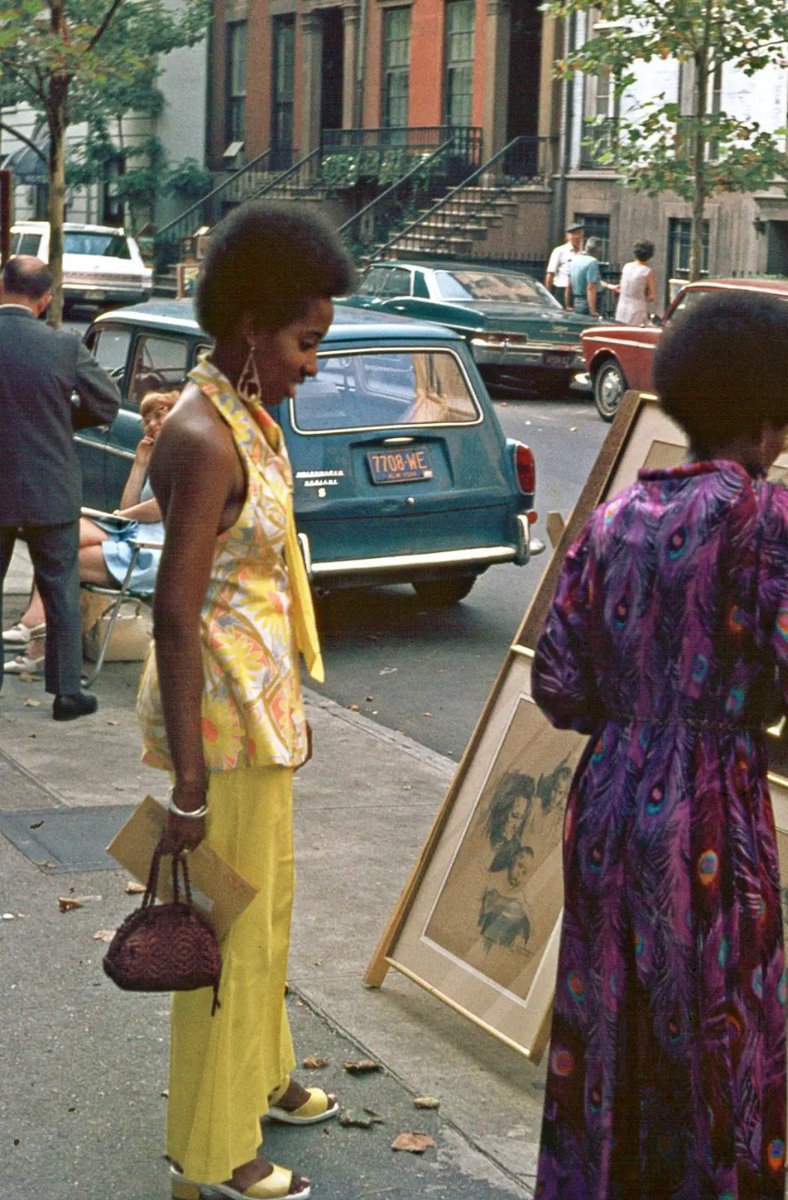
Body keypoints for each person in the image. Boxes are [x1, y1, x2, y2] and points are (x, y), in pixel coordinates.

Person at [530, 292, 788, 1199]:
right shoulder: (767, 518)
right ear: (767, 422)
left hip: (606, 803)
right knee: (717, 1048)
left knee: (607, 1036)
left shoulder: (613, 519)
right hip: (710, 807)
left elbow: (558, 684)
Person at [136, 201, 355, 1200]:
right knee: (224, 936)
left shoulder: (239, 412)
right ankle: (212, 1149)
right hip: (218, 737)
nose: (316, 361)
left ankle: (262, 1076)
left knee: (269, 917)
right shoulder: (205, 434)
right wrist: (185, 784)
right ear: (250, 327)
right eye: (307, 341)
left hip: (260, 719)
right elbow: (173, 616)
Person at [0, 255, 121, 721]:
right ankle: (67, 692)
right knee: (60, 587)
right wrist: (58, 420)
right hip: (51, 482)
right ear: (46, 298)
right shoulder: (64, 346)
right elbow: (107, 403)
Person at [3, 390, 177, 674]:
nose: (153, 424)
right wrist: (140, 463)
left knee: (59, 558)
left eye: (160, 414)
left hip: (155, 552)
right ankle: (35, 632)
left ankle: (36, 637)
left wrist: (120, 517)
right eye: (146, 420)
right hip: (133, 536)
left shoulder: (185, 454)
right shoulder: (160, 455)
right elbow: (129, 505)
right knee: (57, 539)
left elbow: (161, 507)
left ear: (176, 412)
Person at [614, 240, 657, 325]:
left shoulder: (627, 266)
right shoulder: (647, 272)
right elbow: (652, 296)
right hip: (637, 310)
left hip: (622, 308)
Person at [545, 222, 584, 307]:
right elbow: (550, 274)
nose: (576, 237)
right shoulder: (559, 251)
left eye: (578, 233)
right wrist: (548, 295)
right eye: (573, 234)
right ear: (567, 236)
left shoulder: (583, 254)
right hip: (561, 290)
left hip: (577, 292)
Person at [566, 237, 603, 318]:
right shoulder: (592, 262)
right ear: (598, 251)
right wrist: (593, 311)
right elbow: (591, 287)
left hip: (576, 301)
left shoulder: (574, 260)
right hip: (589, 302)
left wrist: (568, 304)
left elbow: (569, 285)